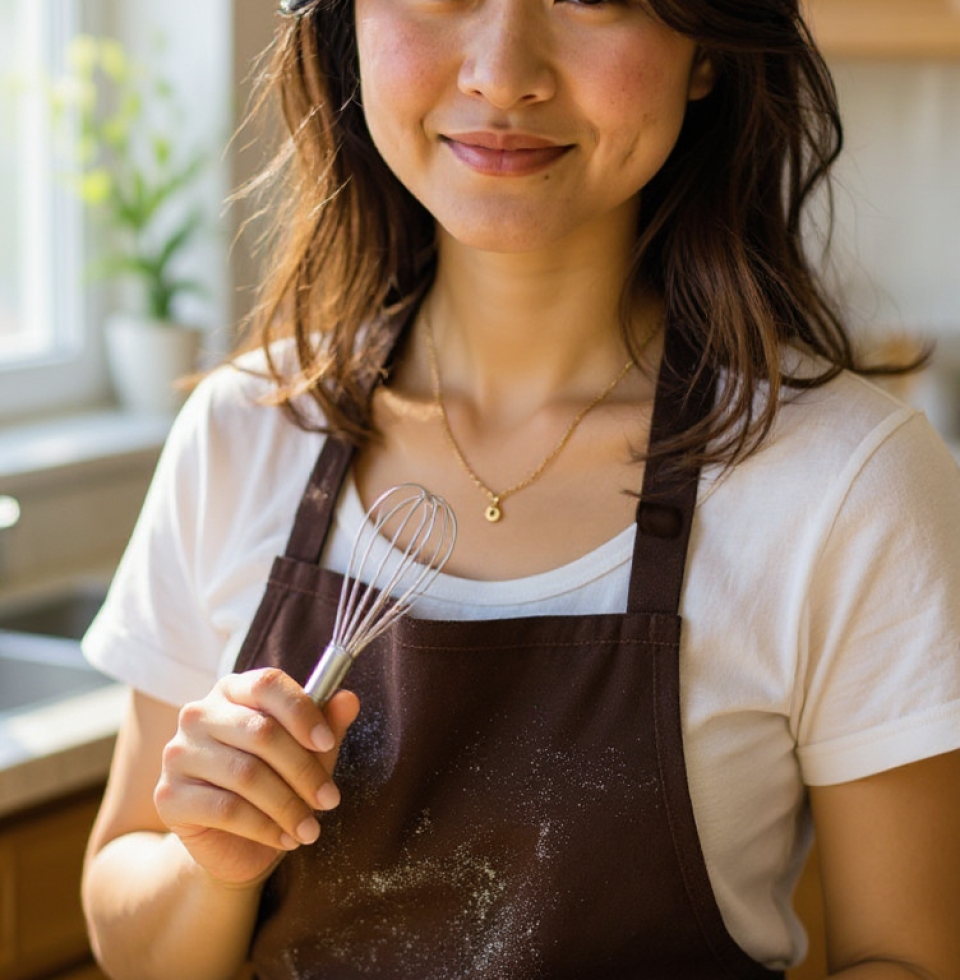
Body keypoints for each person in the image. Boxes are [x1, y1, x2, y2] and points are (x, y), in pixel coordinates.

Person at [80, 0, 960, 978]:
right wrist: (211, 864)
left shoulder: (850, 482)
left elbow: (908, 956)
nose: (503, 73)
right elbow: (128, 929)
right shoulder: (242, 428)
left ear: (705, 46)